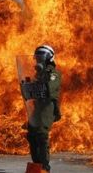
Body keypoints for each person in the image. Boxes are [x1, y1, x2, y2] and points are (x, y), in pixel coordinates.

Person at [21, 45, 62, 173]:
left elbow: (50, 90)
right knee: (32, 135)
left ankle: (44, 166)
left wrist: (38, 86)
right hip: (37, 108)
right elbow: (30, 94)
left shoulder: (53, 73)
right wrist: (26, 87)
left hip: (47, 108)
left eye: (41, 57)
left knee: (41, 135)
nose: (38, 60)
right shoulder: (37, 74)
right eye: (37, 57)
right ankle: (37, 165)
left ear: (49, 58)